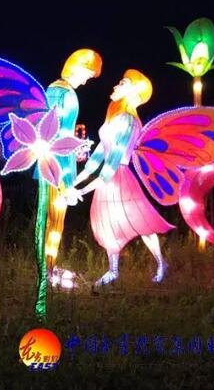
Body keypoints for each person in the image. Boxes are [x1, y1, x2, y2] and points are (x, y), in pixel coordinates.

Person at [64, 69, 175, 286]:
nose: (116, 85)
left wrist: (81, 190)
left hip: (120, 179)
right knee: (109, 223)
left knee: (141, 223)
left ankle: (161, 263)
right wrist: (72, 183)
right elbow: (97, 157)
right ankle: (113, 270)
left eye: (123, 83)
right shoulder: (113, 119)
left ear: (133, 92)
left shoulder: (129, 121)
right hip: (107, 181)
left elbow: (112, 163)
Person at [43, 49, 102, 270]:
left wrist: (78, 144)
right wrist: (68, 183)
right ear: (77, 67)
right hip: (58, 169)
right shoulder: (66, 94)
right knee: (55, 220)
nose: (86, 81)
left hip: (48, 164)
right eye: (87, 75)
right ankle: (48, 269)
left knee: (49, 220)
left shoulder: (54, 90)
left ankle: (47, 267)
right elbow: (60, 138)